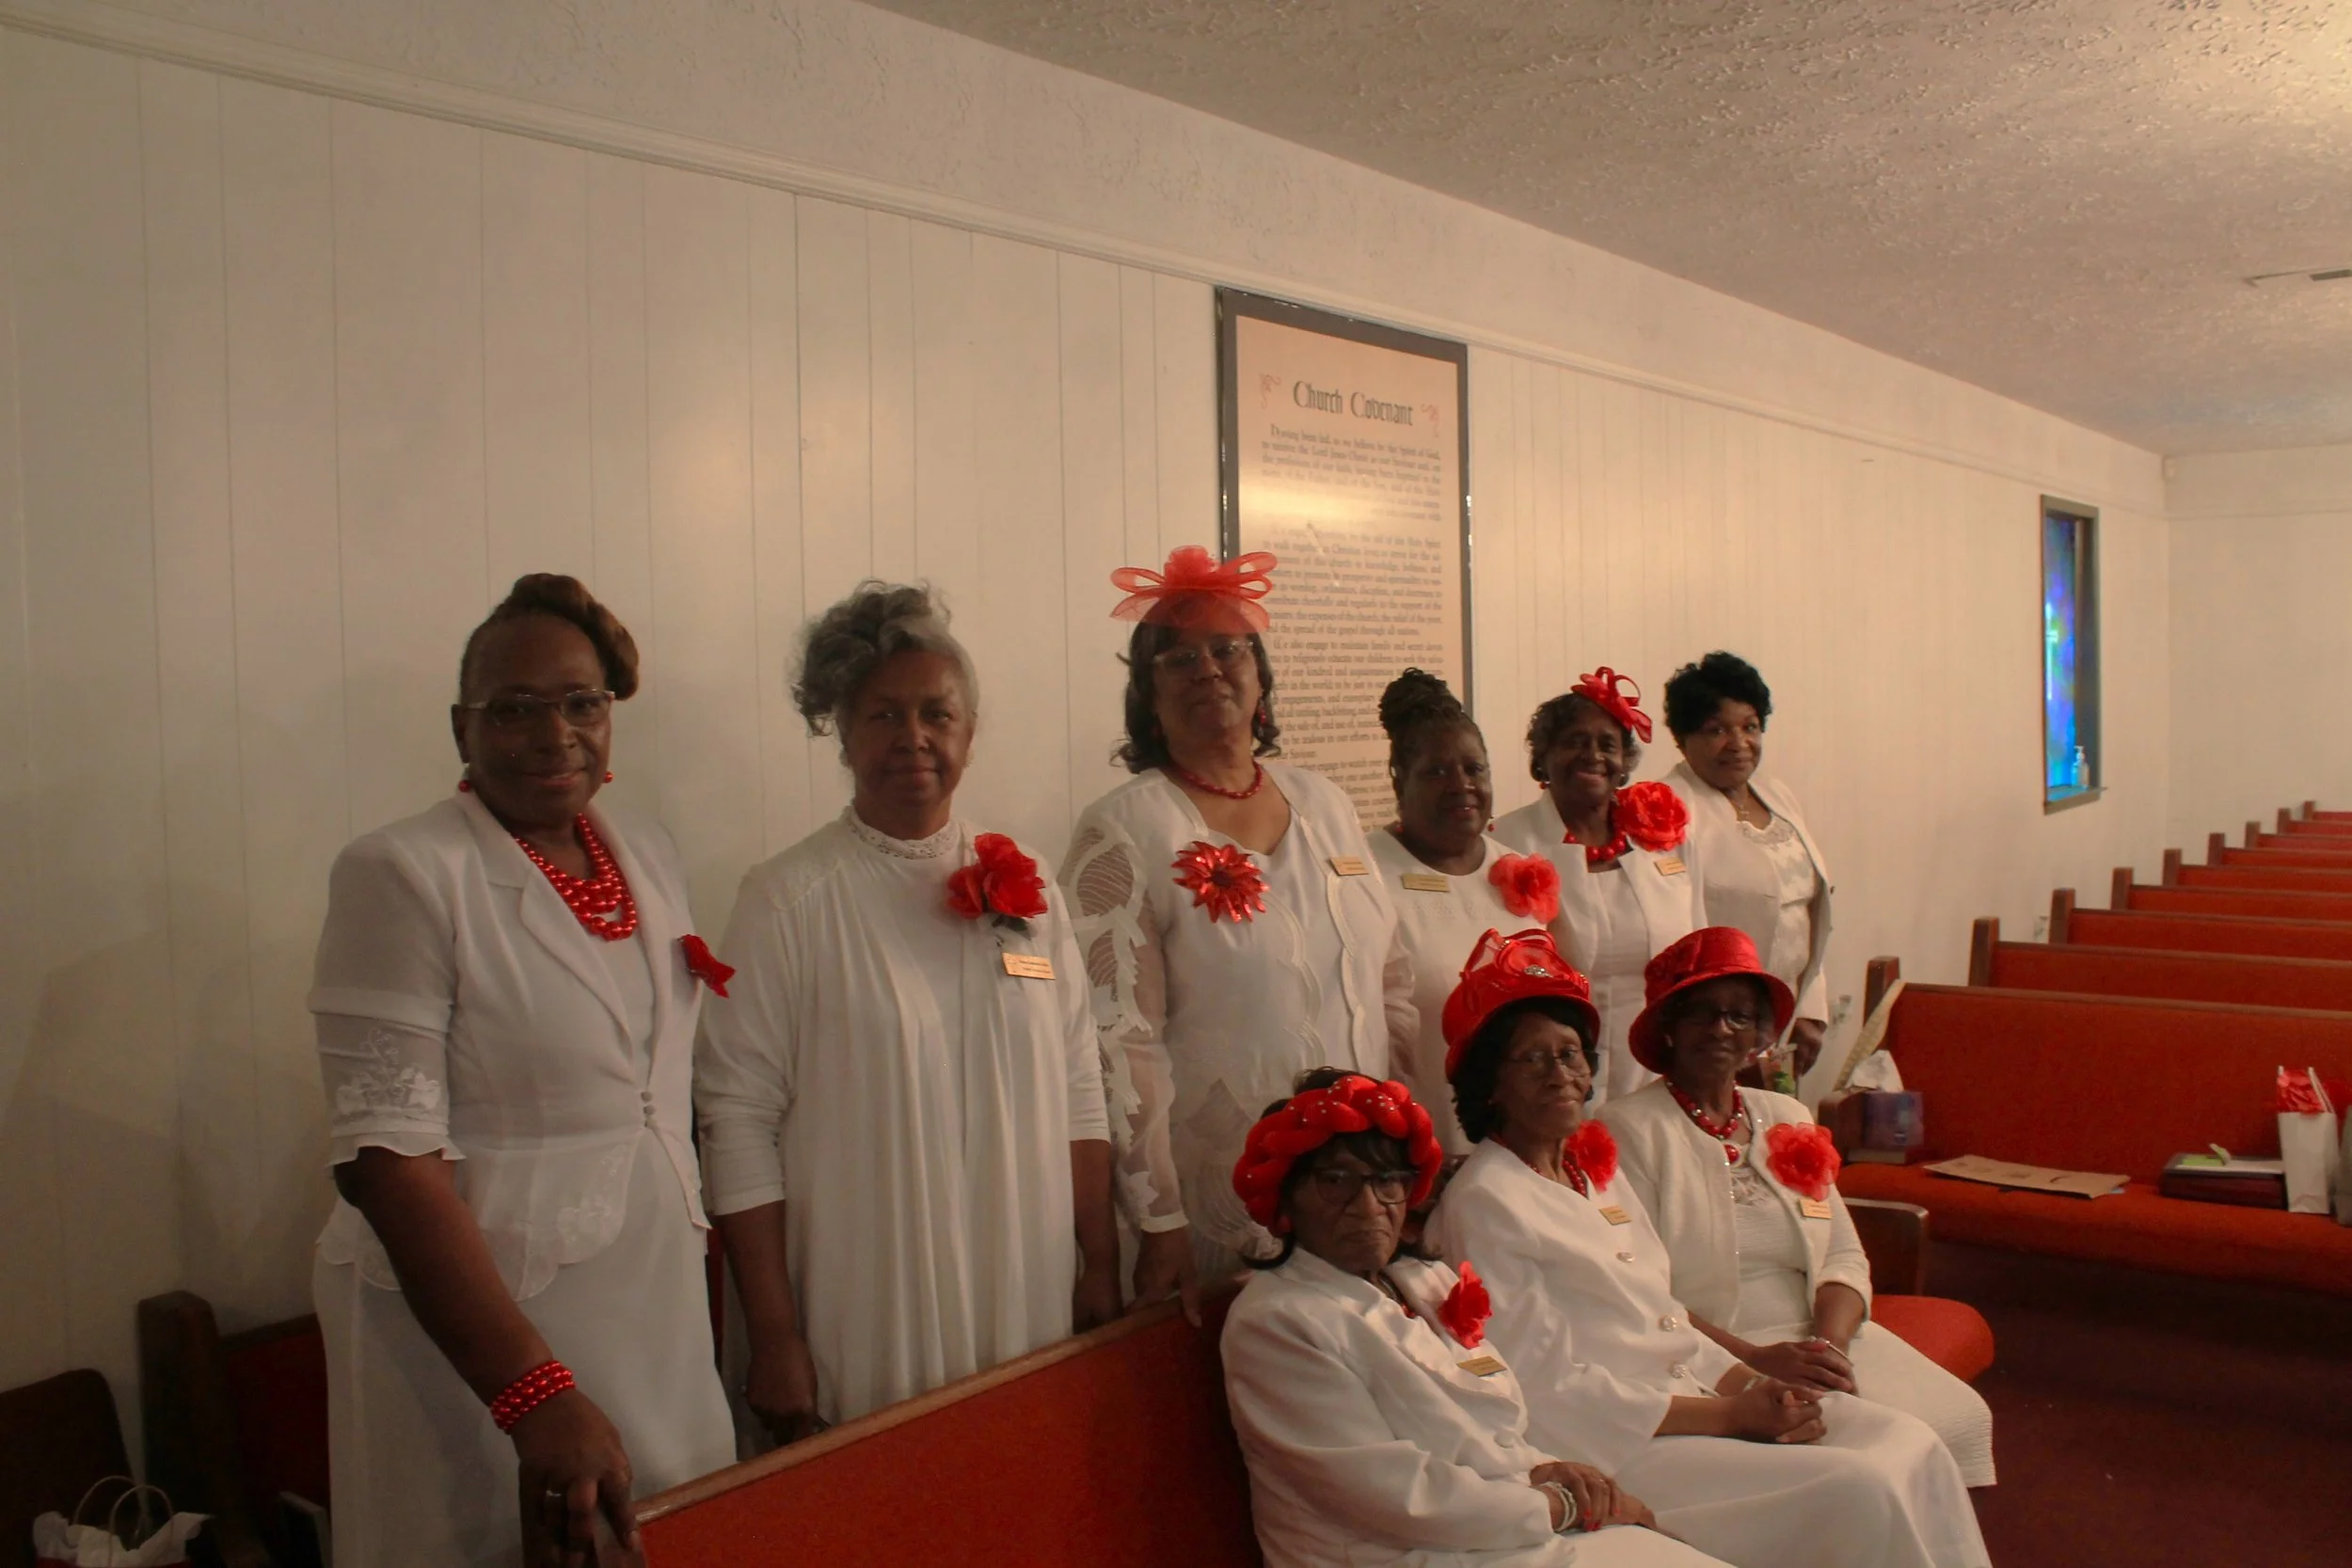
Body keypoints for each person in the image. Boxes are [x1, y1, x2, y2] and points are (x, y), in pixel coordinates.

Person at [309, 574, 734, 1568]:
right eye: (515, 709)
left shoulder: (649, 851)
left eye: (582, 702)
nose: (555, 734)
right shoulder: (402, 872)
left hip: (649, 1298)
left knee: (660, 1529)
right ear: (462, 728)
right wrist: (530, 1393)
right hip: (484, 1332)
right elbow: (390, 1161)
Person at [695, 582, 1119, 1442]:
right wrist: (774, 1335)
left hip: (1020, 1277)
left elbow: (1080, 1083)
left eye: (937, 713)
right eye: (885, 716)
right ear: (843, 732)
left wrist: (1100, 1259)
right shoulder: (785, 901)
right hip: (865, 1288)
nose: (914, 738)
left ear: (969, 728)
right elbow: (734, 1121)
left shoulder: (1030, 886)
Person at [1428, 929, 1990, 1568]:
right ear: (1488, 1084)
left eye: (1570, 1054)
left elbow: (1660, 1310)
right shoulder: (1486, 1201)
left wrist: (1754, 1381)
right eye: (1531, 1059)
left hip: (1691, 1391)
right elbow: (1545, 1384)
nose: (1560, 1074)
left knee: (1909, 1441)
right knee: (1856, 1485)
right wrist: (1728, 1414)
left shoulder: (1592, 1168)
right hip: (1618, 1435)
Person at [1062, 546, 1415, 1313]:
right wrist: (1160, 1219)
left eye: (1229, 649)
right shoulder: (1123, 832)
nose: (1209, 670)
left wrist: (1407, 1154)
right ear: (1147, 697)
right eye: (1179, 659)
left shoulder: (1324, 802)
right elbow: (1117, 1044)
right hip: (1216, 1206)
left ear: (1260, 675)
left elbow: (1387, 980)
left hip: (1360, 1194)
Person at [1220, 1069, 1729, 1568]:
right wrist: (1563, 1506)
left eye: (1387, 1181)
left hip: (1498, 1530)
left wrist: (1557, 1476)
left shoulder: (1424, 1282)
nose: (1369, 1206)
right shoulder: (1275, 1321)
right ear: (1285, 1196)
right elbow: (1399, 1496)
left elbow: (1496, 1428)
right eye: (1336, 1181)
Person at [1599, 927, 1995, 1488]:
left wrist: (1828, 1349)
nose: (1721, 1029)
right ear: (1667, 1027)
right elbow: (1634, 1285)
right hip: (1711, 1351)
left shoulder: (1788, 1115)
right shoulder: (1626, 1130)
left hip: (1817, 1335)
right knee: (1870, 1465)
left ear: (1760, 1034)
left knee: (1958, 1418)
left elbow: (1843, 1256)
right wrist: (1755, 1358)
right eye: (1702, 1014)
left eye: (1739, 1016)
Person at [1367, 668, 1559, 1154]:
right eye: (1436, 771)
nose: (1461, 785)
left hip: (1525, 1150)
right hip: (1420, 1150)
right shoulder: (1364, 875)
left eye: (1474, 769)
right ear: (1398, 780)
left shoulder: (1518, 869)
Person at [1493, 669, 1701, 1105]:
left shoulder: (1663, 842)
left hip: (1653, 1078)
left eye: (1607, 745)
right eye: (1574, 741)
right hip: (1548, 1087)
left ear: (1625, 762)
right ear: (1542, 757)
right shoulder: (1504, 844)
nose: (1592, 756)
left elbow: (1696, 953)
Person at [1660, 654, 1834, 1084]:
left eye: (1750, 726)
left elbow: (1805, 909)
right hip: (1718, 1029)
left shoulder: (1777, 795)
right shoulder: (1668, 808)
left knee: (1778, 1138)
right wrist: (1733, 1029)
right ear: (1682, 739)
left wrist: (1812, 1008)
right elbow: (1676, 930)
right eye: (1716, 729)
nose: (1738, 742)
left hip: (1789, 1016)